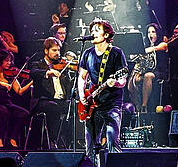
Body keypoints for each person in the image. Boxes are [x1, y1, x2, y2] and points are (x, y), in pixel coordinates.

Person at [78, 19, 128, 157]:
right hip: (92, 104)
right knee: (90, 145)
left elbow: (123, 79)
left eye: (97, 30)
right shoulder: (87, 54)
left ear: (106, 35)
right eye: (92, 30)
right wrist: (82, 94)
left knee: (112, 140)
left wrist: (115, 83)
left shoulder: (116, 53)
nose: (93, 33)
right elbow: (82, 76)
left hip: (112, 104)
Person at [0, 50, 33, 148]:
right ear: (0, 60)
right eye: (7, 61)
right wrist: (1, 83)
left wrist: (32, 82)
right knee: (1, 110)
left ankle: (12, 138)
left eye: (10, 61)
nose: (9, 63)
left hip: (6, 103)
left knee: (23, 113)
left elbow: (19, 91)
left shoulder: (10, 75)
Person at [30, 37, 73, 149]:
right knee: (53, 107)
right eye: (54, 50)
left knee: (75, 107)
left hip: (61, 100)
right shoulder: (37, 64)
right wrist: (48, 72)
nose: (57, 53)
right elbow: (33, 73)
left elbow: (68, 85)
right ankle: (52, 141)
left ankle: (70, 142)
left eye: (58, 50)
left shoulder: (62, 66)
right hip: (43, 100)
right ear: (46, 51)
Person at [128, 23, 167, 113]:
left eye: (153, 32)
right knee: (134, 79)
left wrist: (141, 51)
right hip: (147, 71)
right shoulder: (145, 47)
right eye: (149, 32)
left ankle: (144, 106)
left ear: (157, 33)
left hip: (160, 71)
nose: (151, 34)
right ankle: (136, 105)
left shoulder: (162, 44)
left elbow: (157, 48)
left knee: (148, 76)